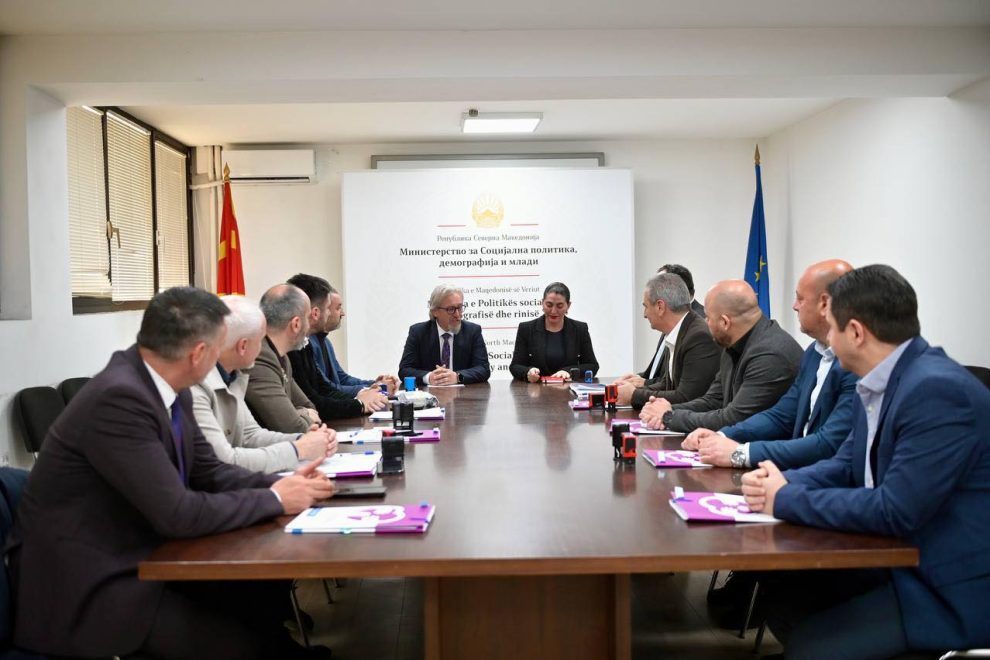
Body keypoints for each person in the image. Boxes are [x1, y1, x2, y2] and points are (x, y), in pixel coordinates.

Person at [7, 287, 335, 660]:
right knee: (239, 641)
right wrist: (276, 498)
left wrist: (286, 485)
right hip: (87, 583)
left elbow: (211, 472)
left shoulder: (168, 386)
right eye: (218, 347)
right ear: (199, 354)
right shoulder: (119, 399)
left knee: (255, 591)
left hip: (140, 551)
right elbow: (177, 513)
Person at [742, 264, 990, 658]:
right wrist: (779, 481)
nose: (827, 340)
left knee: (809, 646)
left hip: (943, 587)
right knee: (786, 591)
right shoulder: (878, 379)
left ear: (856, 332)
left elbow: (895, 510)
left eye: (832, 328)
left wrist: (784, 498)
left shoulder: (937, 390)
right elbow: (845, 465)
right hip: (895, 557)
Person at [684, 259, 858, 470]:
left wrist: (741, 453)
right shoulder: (814, 353)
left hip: (820, 478)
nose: (794, 306)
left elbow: (828, 444)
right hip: (801, 473)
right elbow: (781, 415)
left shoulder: (855, 365)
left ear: (824, 304)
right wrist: (722, 435)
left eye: (800, 299)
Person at [192, 295, 337, 473]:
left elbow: (250, 435)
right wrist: (297, 449)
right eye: (260, 340)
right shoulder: (196, 385)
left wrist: (304, 439)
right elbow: (224, 461)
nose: (262, 348)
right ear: (243, 346)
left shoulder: (234, 376)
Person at [640, 280, 802, 433]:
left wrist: (669, 417)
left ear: (725, 323)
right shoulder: (733, 342)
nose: (705, 323)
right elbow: (713, 400)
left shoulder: (769, 355)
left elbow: (734, 419)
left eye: (708, 318)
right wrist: (667, 409)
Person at [285, 274, 388, 417]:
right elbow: (314, 401)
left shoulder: (305, 344)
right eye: (329, 308)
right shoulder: (292, 348)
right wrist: (360, 402)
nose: (330, 313)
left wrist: (364, 397)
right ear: (315, 313)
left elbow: (325, 389)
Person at [613, 272, 719, 407]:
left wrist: (634, 395)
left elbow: (687, 397)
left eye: (646, 306)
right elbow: (667, 384)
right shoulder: (678, 330)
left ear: (660, 307)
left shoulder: (698, 337)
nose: (644, 314)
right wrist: (629, 389)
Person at [244, 283, 323, 433]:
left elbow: (310, 407)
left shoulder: (282, 357)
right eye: (307, 318)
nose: (309, 326)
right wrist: (304, 414)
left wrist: (300, 413)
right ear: (296, 324)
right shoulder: (259, 357)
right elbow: (292, 427)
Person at [617, 263, 706, 386]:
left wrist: (641, 387)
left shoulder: (695, 325)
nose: (644, 315)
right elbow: (662, 376)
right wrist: (635, 380)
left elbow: (682, 388)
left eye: (658, 283)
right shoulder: (673, 322)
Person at [399, 285, 491, 385]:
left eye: (460, 308)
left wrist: (457, 377)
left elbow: (483, 369)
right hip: (429, 393)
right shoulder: (418, 332)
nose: (457, 314)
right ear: (435, 311)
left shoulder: (472, 331)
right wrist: (429, 377)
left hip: (463, 394)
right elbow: (405, 370)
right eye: (451, 309)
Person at [509, 281, 599, 382]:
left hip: (569, 389)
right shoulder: (526, 329)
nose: (553, 311)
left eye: (559, 306)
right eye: (549, 305)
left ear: (568, 305)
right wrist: (528, 372)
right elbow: (515, 366)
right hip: (536, 389)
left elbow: (592, 366)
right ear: (542, 303)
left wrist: (568, 371)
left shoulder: (580, 329)